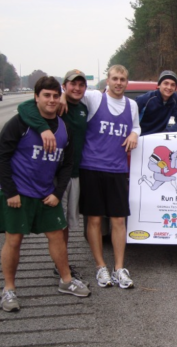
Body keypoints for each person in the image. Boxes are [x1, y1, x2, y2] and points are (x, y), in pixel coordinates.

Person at [0, 77, 91, 312]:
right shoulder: (20, 123)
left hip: (46, 194)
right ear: (36, 98)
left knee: (57, 237)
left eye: (54, 95)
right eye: (46, 95)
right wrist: (10, 191)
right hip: (18, 194)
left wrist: (58, 193)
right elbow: (2, 157)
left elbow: (67, 164)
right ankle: (9, 289)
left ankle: (66, 280)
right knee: (14, 240)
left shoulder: (63, 127)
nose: (51, 100)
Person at [17, 69, 89, 284]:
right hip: (54, 174)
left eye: (81, 84)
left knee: (66, 222)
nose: (76, 88)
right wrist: (43, 127)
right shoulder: (56, 104)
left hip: (74, 172)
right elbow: (25, 106)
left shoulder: (86, 107)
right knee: (57, 224)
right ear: (65, 86)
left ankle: (61, 264)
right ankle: (61, 267)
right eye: (71, 84)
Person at [79, 65, 140, 289]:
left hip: (117, 169)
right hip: (92, 168)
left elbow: (137, 126)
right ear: (108, 80)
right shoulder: (95, 98)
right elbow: (69, 90)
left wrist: (134, 133)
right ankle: (100, 267)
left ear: (127, 82)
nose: (119, 83)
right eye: (115, 78)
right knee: (94, 220)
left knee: (118, 220)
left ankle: (119, 268)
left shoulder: (131, 105)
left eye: (123, 79)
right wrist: (65, 98)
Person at [135, 70, 177, 135]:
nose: (169, 87)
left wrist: (166, 132)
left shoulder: (175, 99)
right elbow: (130, 120)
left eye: (173, 85)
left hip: (161, 139)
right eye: (166, 83)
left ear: (175, 88)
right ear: (159, 85)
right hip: (142, 139)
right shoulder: (145, 99)